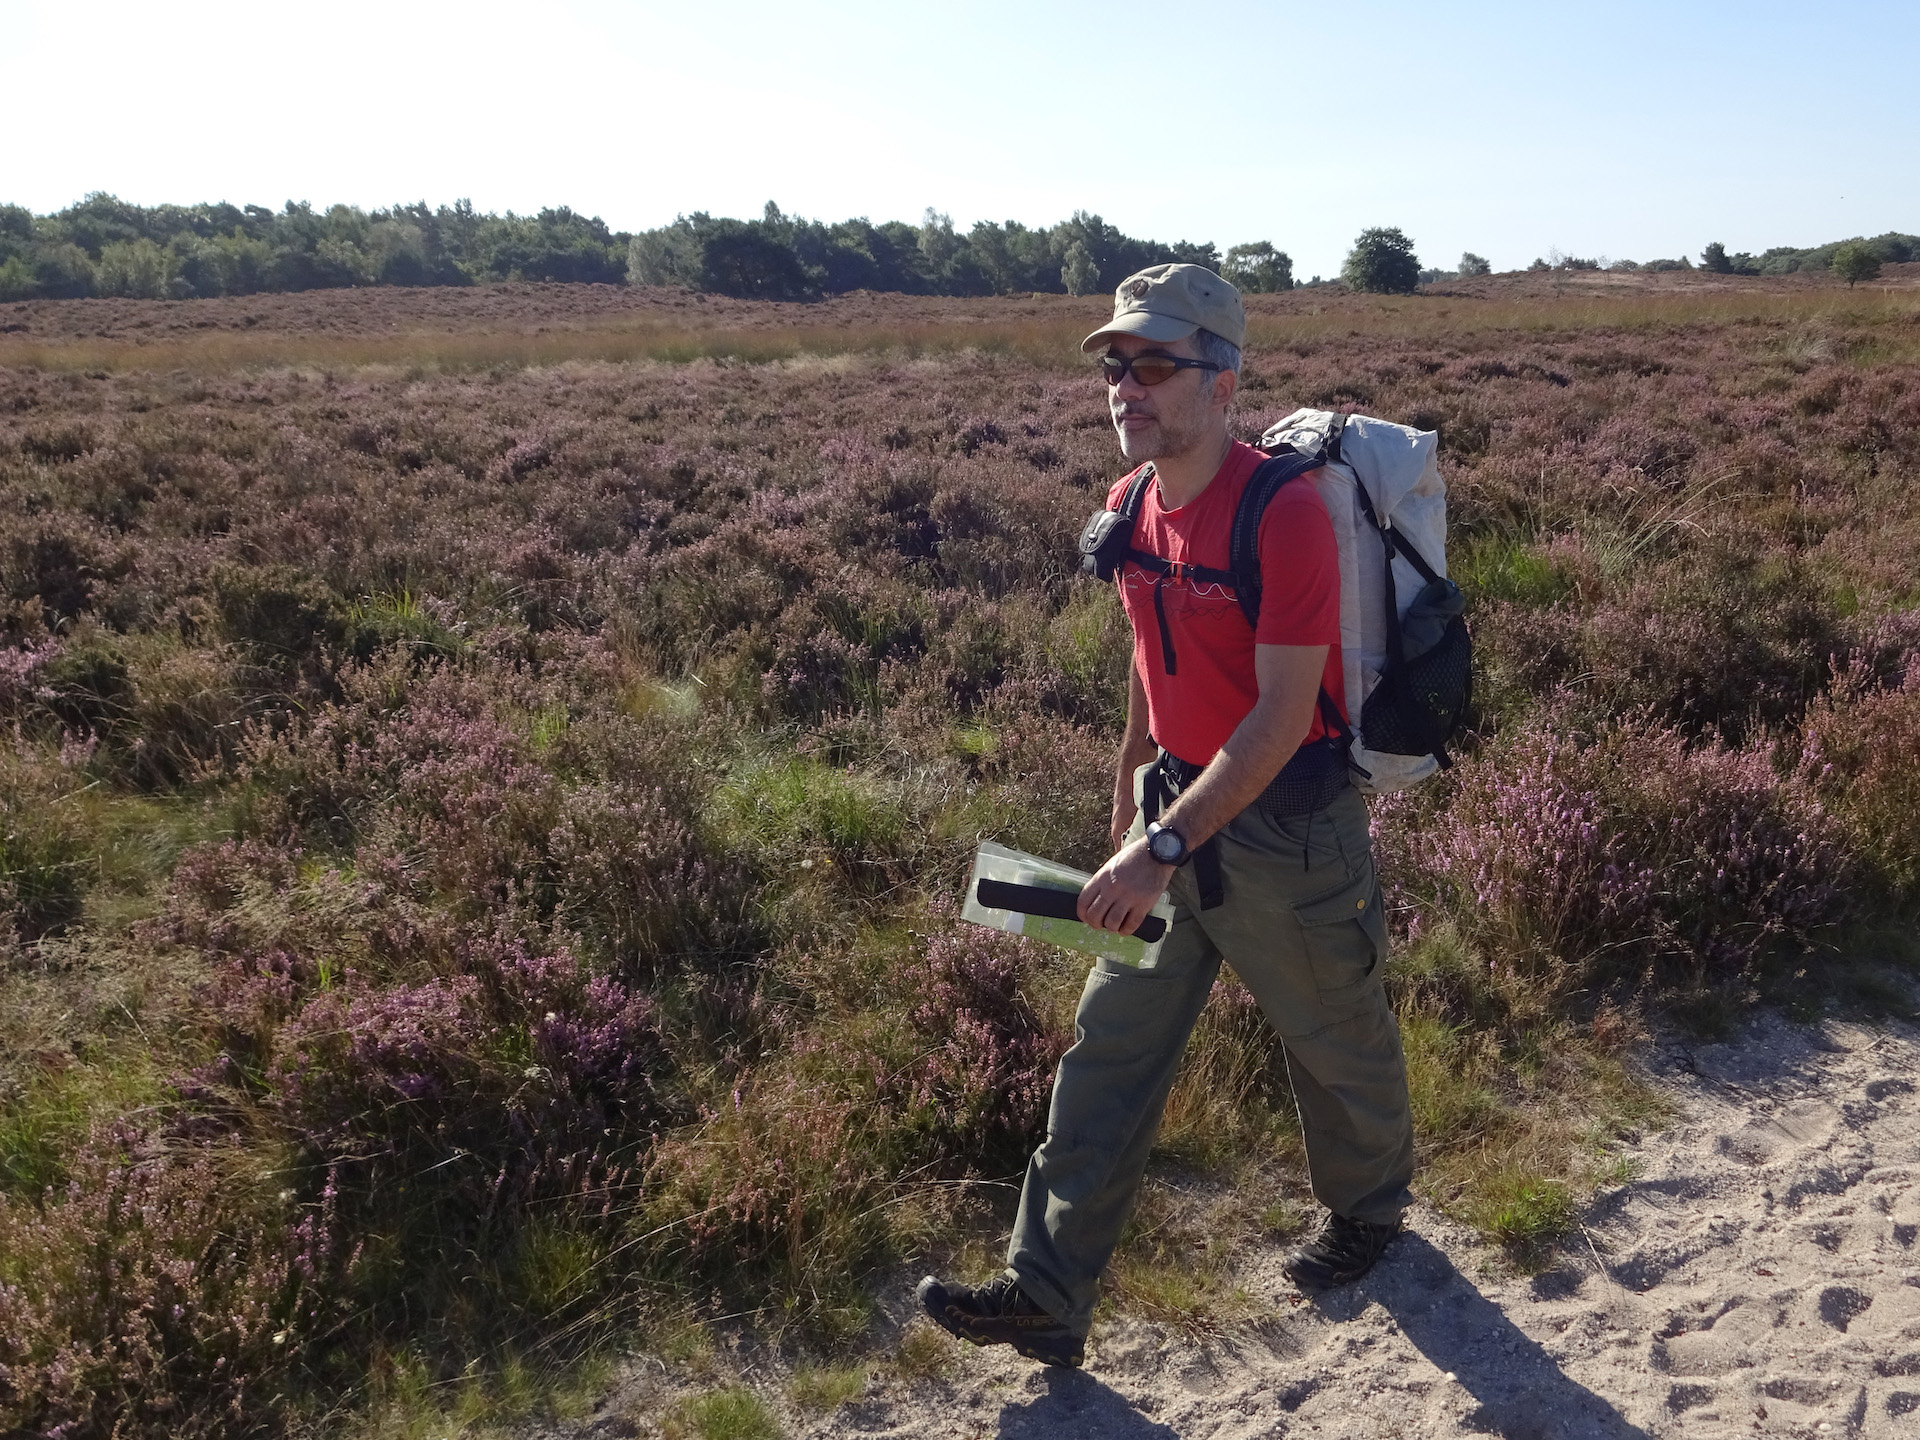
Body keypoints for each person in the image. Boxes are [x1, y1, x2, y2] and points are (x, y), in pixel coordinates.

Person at [918, 264, 1415, 1368]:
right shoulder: (1131, 503)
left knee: (1334, 1038)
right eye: (1114, 365)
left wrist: (1162, 843)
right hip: (1172, 815)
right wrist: (1130, 797)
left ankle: (1371, 1212)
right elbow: (1152, 665)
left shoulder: (1285, 512)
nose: (1124, 387)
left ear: (1221, 383)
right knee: (1107, 1052)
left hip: (1290, 830)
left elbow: (1280, 717)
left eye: (1153, 365)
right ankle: (1046, 1293)